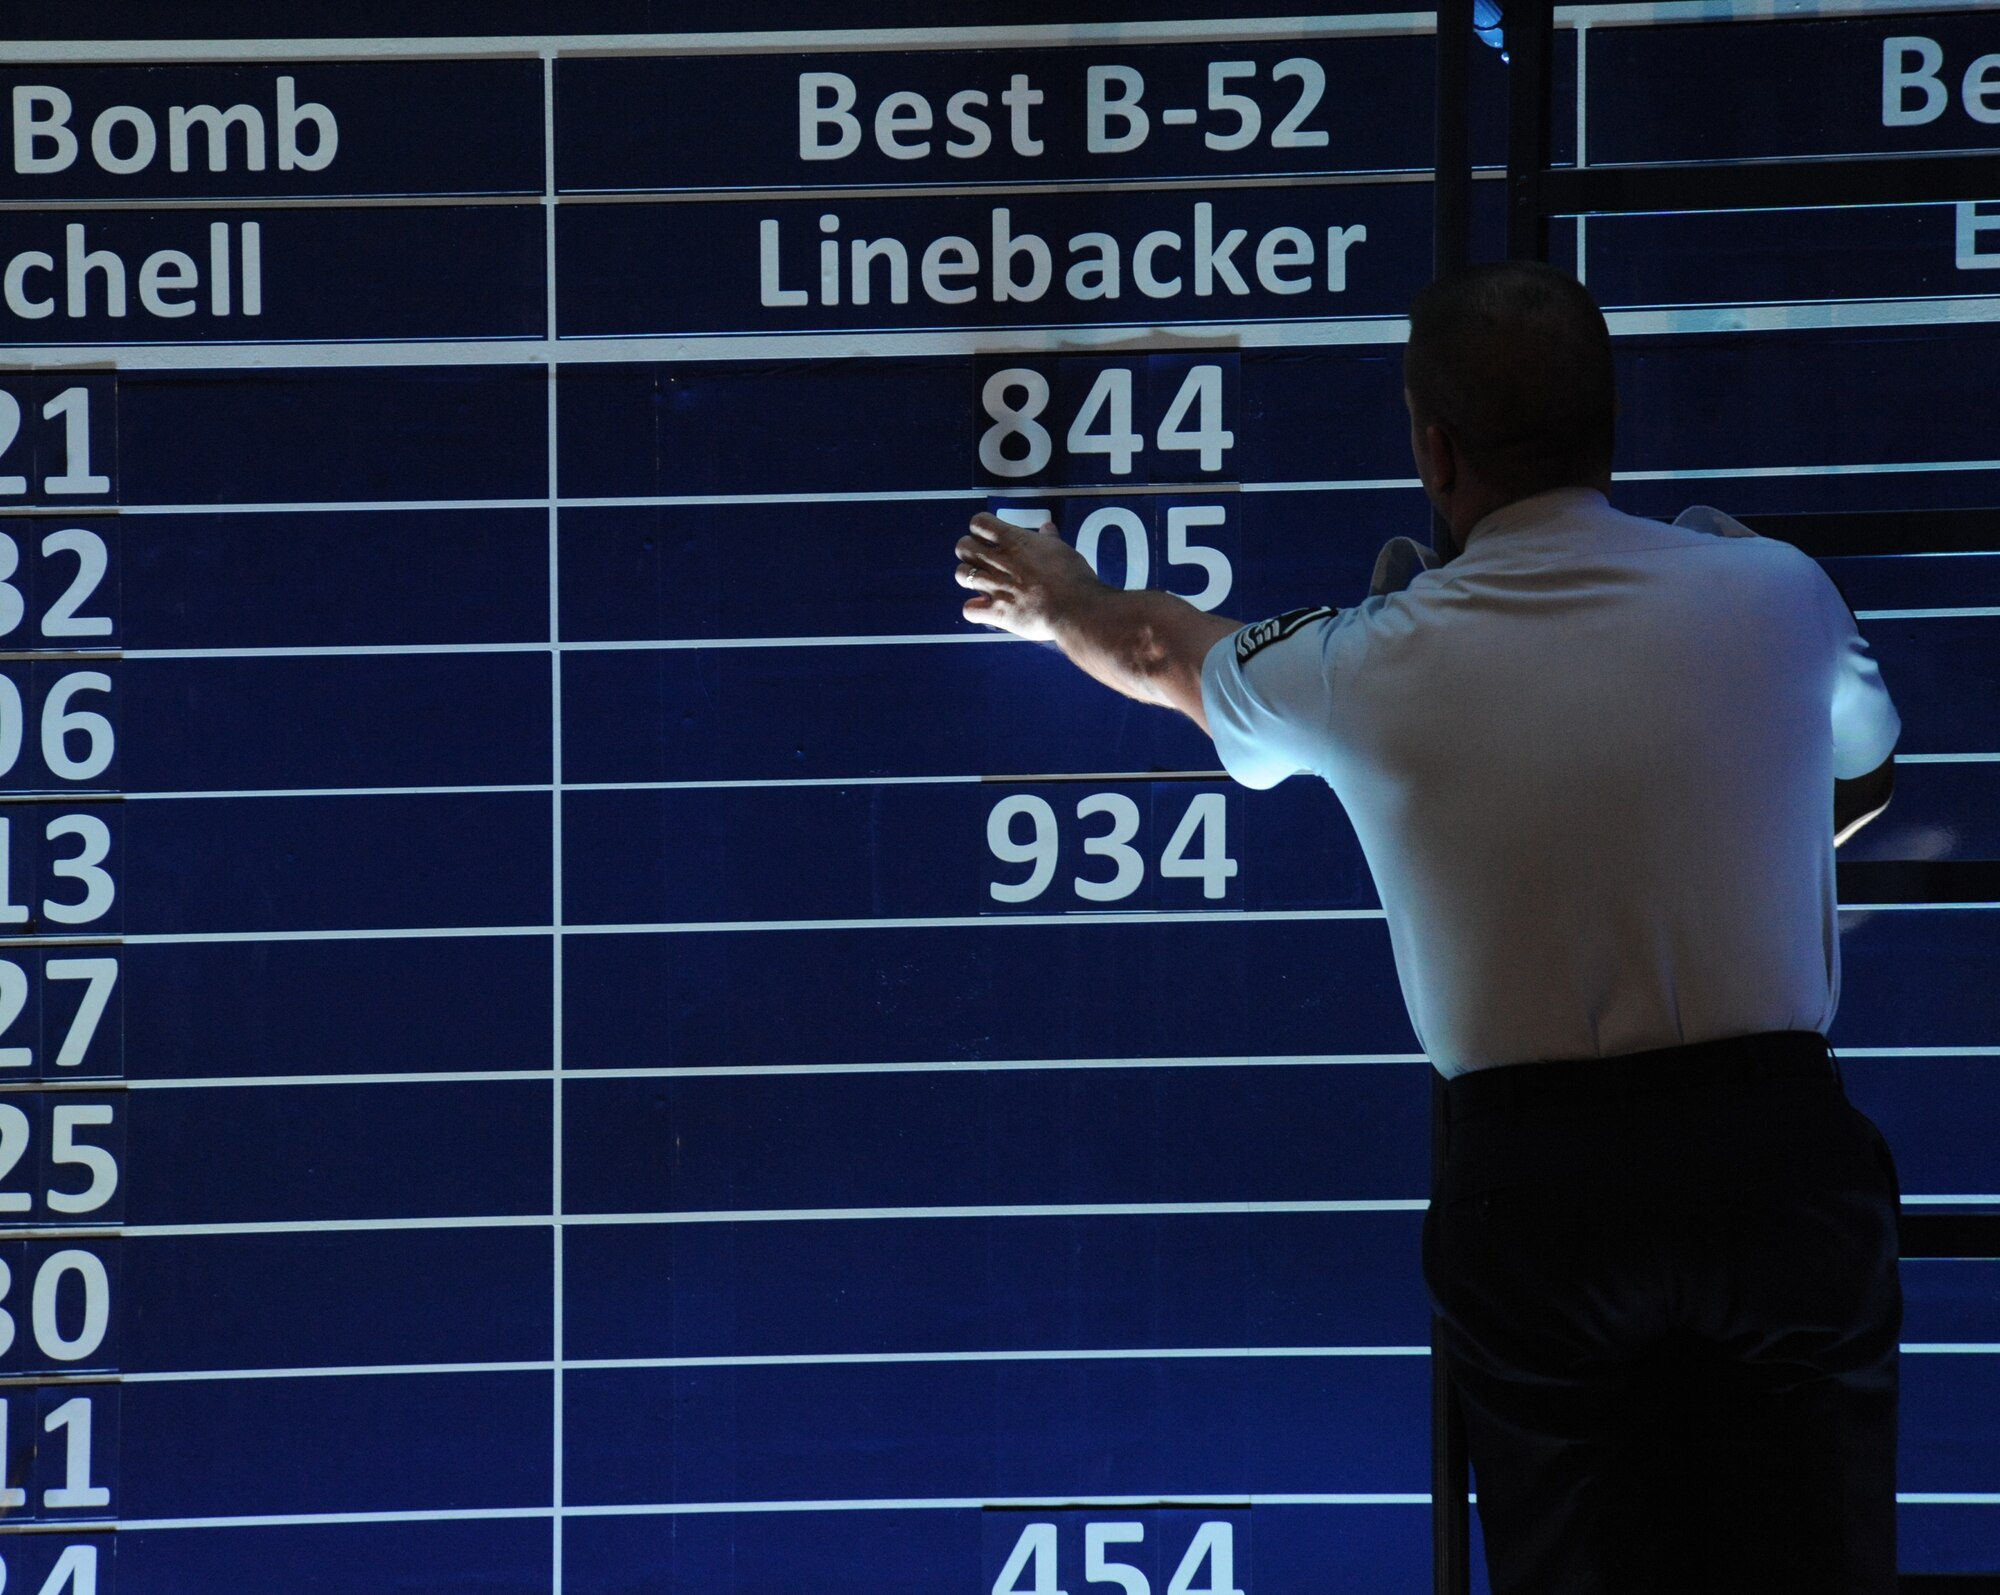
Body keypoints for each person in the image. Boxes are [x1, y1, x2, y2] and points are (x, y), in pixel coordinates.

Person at [951, 259, 1904, 1595]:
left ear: (1433, 449)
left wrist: (1054, 594)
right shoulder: (1780, 595)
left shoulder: (1371, 658)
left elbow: (1170, 655)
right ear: (1610, 423)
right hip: (1777, 1158)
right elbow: (1863, 774)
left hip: (1540, 1188)